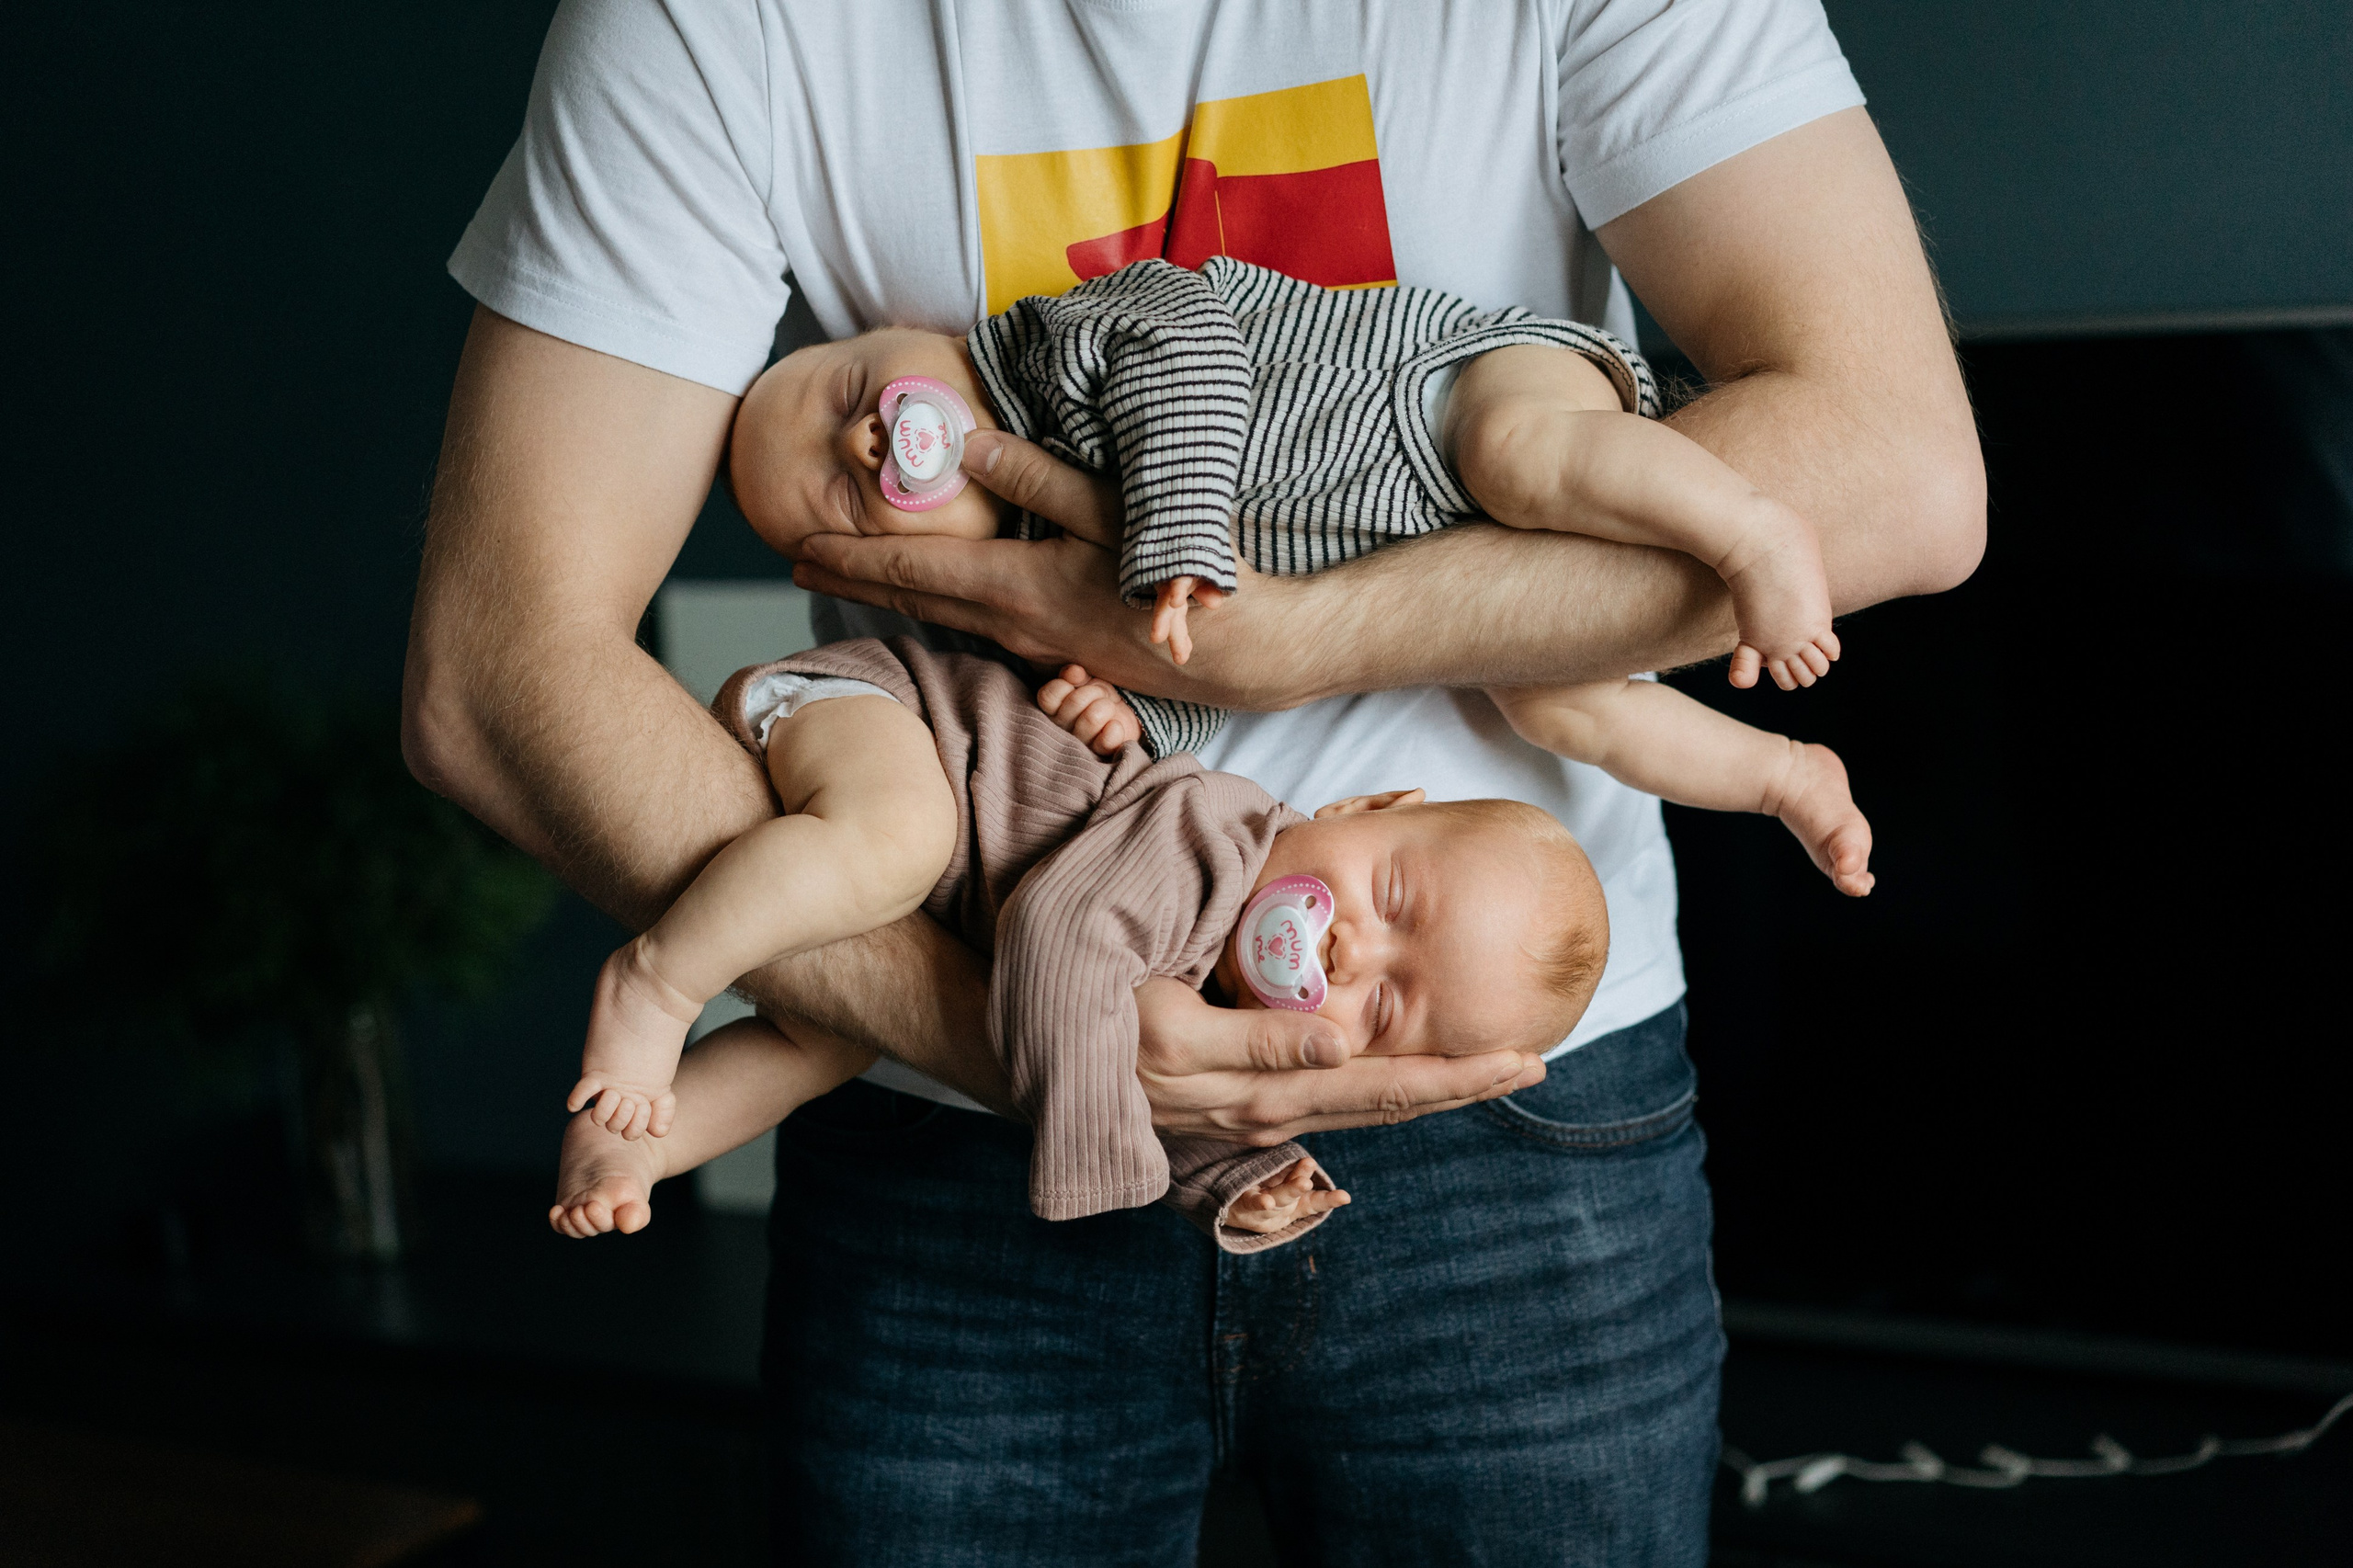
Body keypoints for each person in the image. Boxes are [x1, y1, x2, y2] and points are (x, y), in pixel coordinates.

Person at [404, 2, 1983, 1561]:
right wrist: (1037, 1050)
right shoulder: (718, 23)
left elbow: (1901, 474)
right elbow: (496, 670)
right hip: (943, 1125)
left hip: (1516, 1133)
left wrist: (1282, 647)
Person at [724, 256, 1875, 895]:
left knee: (1519, 457)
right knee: (1556, 700)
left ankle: (1750, 533)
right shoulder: (1018, 584)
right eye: (840, 487)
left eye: (844, 399)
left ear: (904, 336)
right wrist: (1131, 705)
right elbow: (1204, 654)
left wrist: (1170, 536)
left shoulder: (1053, 342)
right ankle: (1777, 773)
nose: (868, 444)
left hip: (1442, 397)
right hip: (1440, 557)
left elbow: (1189, 358)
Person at [551, 637, 1605, 1248]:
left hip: (899, 897)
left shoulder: (1218, 1000)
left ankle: (635, 1140)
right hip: (883, 715)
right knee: (897, 839)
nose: (1352, 956)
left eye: (1383, 1007)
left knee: (826, 1041)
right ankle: (654, 981)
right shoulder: (1216, 833)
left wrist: (1238, 1180)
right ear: (1365, 801)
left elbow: (1154, 1085)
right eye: (1392, 897)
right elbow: (1062, 938)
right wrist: (1103, 1164)